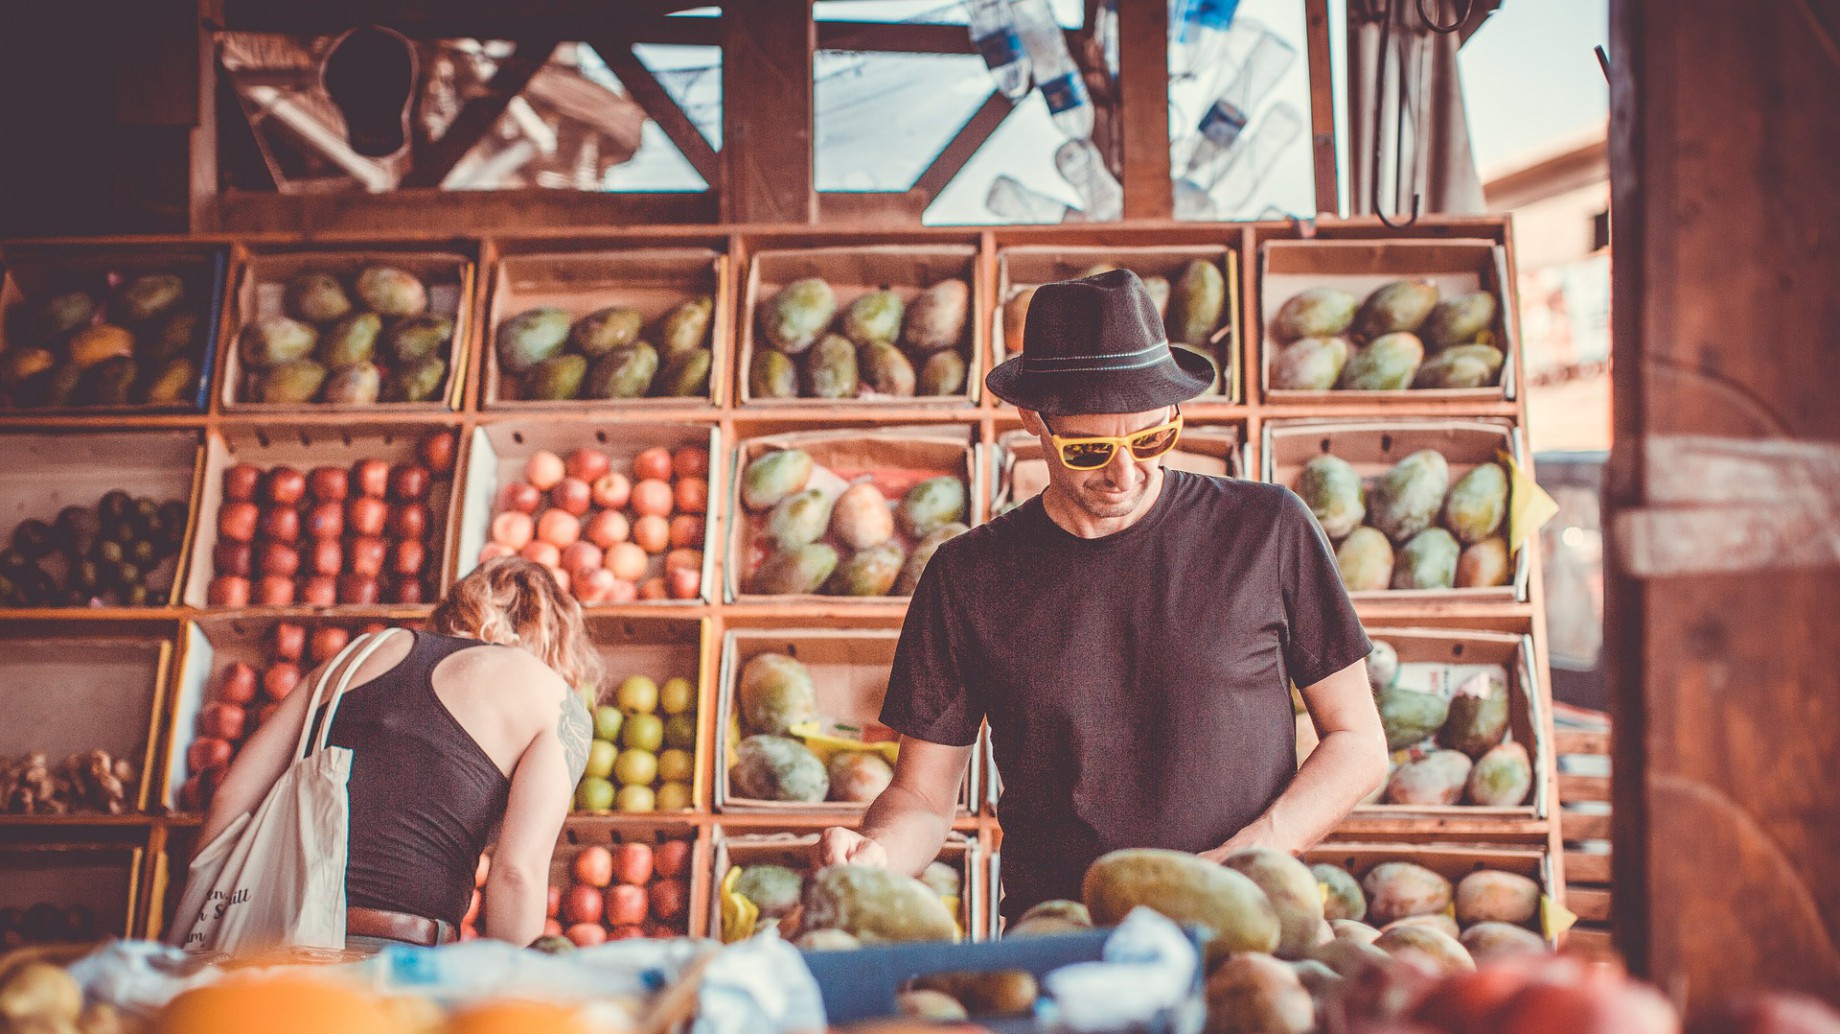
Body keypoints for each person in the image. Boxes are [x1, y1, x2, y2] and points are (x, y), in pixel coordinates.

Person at [817, 269, 1389, 924]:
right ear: (1033, 419)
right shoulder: (966, 576)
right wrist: (876, 855)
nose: (1124, 473)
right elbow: (921, 794)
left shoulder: (1268, 529)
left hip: (1248, 928)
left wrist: (1253, 852)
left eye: (1151, 438)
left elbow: (1357, 739)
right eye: (1089, 448)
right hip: (1061, 936)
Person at [195, 556, 601, 949]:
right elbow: (516, 872)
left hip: (268, 940)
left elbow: (229, 801)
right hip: (392, 956)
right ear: (556, 639)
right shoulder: (554, 699)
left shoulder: (354, 658)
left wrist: (202, 931)